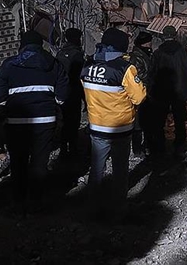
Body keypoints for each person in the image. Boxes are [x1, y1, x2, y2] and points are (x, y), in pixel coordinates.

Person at [0, 30, 68, 215]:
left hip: (16, 120)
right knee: (40, 162)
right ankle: (37, 201)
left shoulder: (10, 64)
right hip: (45, 120)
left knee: (18, 161)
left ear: (22, 44)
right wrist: (55, 102)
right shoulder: (54, 63)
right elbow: (62, 95)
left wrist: (7, 102)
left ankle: (19, 200)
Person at [82, 28, 146, 219]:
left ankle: (93, 207)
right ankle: (118, 208)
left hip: (97, 127)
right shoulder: (125, 68)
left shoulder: (88, 65)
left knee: (97, 168)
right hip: (120, 128)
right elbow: (140, 97)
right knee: (120, 170)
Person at [149, 25, 187, 157]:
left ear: (163, 36)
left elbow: (152, 74)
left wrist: (151, 91)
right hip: (179, 92)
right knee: (180, 120)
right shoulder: (184, 52)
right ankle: (179, 145)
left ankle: (160, 146)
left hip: (161, 92)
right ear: (175, 35)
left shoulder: (158, 53)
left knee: (159, 120)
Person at [56, 28, 85, 157]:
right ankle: (72, 149)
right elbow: (80, 76)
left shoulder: (60, 53)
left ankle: (63, 148)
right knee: (74, 121)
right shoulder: (77, 55)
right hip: (74, 92)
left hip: (62, 91)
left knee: (64, 121)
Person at [128, 31, 154, 158]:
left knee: (146, 121)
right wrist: (152, 76)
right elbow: (138, 74)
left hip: (146, 92)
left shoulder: (144, 54)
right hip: (140, 92)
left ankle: (144, 146)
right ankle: (137, 149)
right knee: (138, 122)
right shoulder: (137, 57)